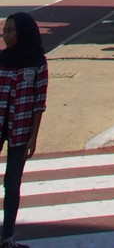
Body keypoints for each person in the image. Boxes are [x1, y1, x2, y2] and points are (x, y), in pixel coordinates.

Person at [0, 12, 48, 248]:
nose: (5, 36)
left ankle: (7, 236)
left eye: (10, 31)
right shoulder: (1, 59)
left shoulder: (37, 62)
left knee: (12, 182)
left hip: (20, 129)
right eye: (4, 31)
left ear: (24, 32)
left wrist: (33, 136)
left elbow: (39, 103)